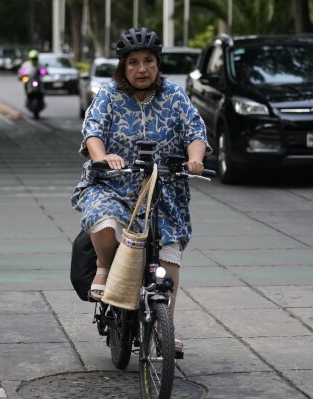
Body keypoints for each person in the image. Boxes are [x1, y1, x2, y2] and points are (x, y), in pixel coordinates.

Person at [70, 27, 210, 353]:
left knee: (169, 254)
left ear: (158, 64)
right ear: (123, 66)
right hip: (113, 185)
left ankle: (164, 328)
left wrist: (195, 159)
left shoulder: (174, 96)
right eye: (133, 62)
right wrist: (102, 157)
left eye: (148, 61)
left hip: (163, 190)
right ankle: (104, 267)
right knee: (103, 219)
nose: (142, 69)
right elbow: (92, 131)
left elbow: (195, 131)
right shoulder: (108, 95)